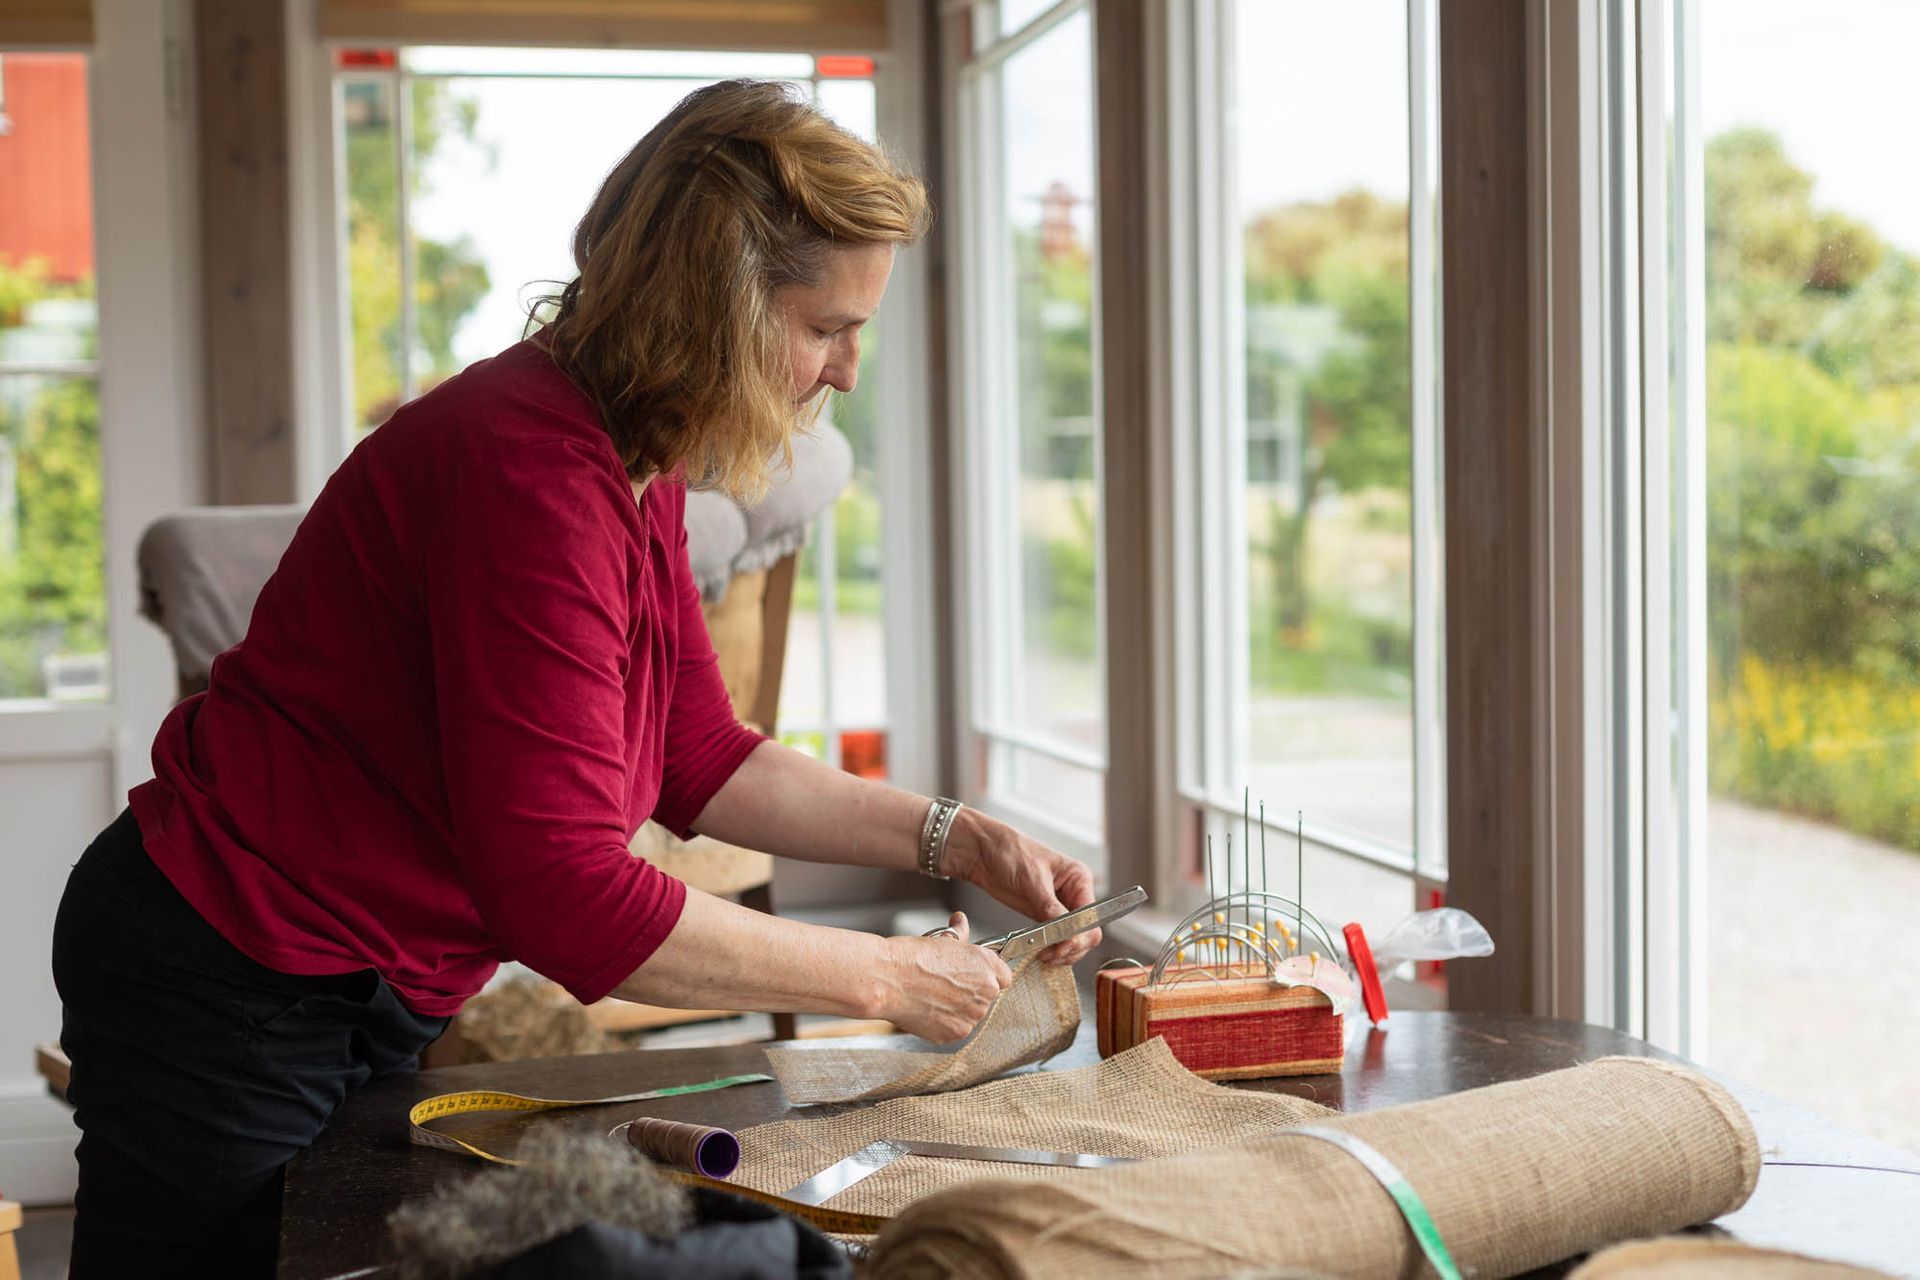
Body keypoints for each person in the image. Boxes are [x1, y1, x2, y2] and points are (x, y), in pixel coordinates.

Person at [51, 78, 1099, 1277]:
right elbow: (566, 893)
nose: (848, 370)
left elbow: (699, 753)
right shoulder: (531, 474)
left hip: (349, 971)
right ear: (715, 303)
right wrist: (888, 974)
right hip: (229, 958)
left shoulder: (626, 459)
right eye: (827, 326)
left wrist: (956, 837)